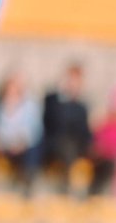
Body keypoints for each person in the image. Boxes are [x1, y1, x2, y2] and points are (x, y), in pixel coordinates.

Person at [39, 64, 93, 197]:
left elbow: (84, 132)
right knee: (66, 147)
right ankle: (67, 189)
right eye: (71, 79)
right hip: (55, 144)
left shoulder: (81, 106)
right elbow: (52, 122)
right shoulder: (52, 100)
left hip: (76, 146)